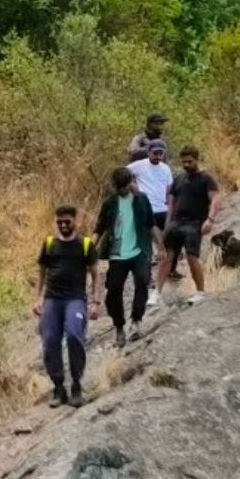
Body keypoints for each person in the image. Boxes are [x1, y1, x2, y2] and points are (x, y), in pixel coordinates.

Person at [35, 204, 99, 407]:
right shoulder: (49, 244)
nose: (63, 225)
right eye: (59, 222)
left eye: (67, 221)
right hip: (52, 300)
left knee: (73, 336)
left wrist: (96, 302)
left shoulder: (86, 245)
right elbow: (42, 273)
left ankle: (77, 385)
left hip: (75, 299)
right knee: (50, 341)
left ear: (76, 222)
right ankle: (58, 387)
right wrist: (38, 299)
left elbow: (96, 275)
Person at [94, 165, 155, 349]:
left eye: (125, 186)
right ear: (114, 186)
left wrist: (161, 246)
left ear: (131, 183)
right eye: (119, 187)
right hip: (117, 254)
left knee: (143, 281)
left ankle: (136, 321)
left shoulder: (142, 200)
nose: (123, 190)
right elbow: (100, 228)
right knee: (113, 291)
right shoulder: (109, 203)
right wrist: (89, 247)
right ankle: (119, 327)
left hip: (139, 251)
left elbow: (151, 224)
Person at [162, 146, 221, 304]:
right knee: (167, 256)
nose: (186, 164)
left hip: (194, 224)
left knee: (191, 257)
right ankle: (157, 292)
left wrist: (210, 219)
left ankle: (200, 292)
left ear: (197, 160)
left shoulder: (206, 179)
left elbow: (215, 199)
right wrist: (168, 223)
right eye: (184, 162)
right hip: (176, 223)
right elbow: (171, 203)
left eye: (190, 161)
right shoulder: (179, 178)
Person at [126, 141, 174, 308]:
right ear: (148, 151)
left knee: (164, 247)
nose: (157, 156)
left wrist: (170, 207)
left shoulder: (166, 169)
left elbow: (169, 189)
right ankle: (148, 279)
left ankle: (165, 274)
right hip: (145, 210)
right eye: (155, 153)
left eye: (161, 153)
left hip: (162, 210)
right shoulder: (138, 166)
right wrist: (133, 189)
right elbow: (121, 174)